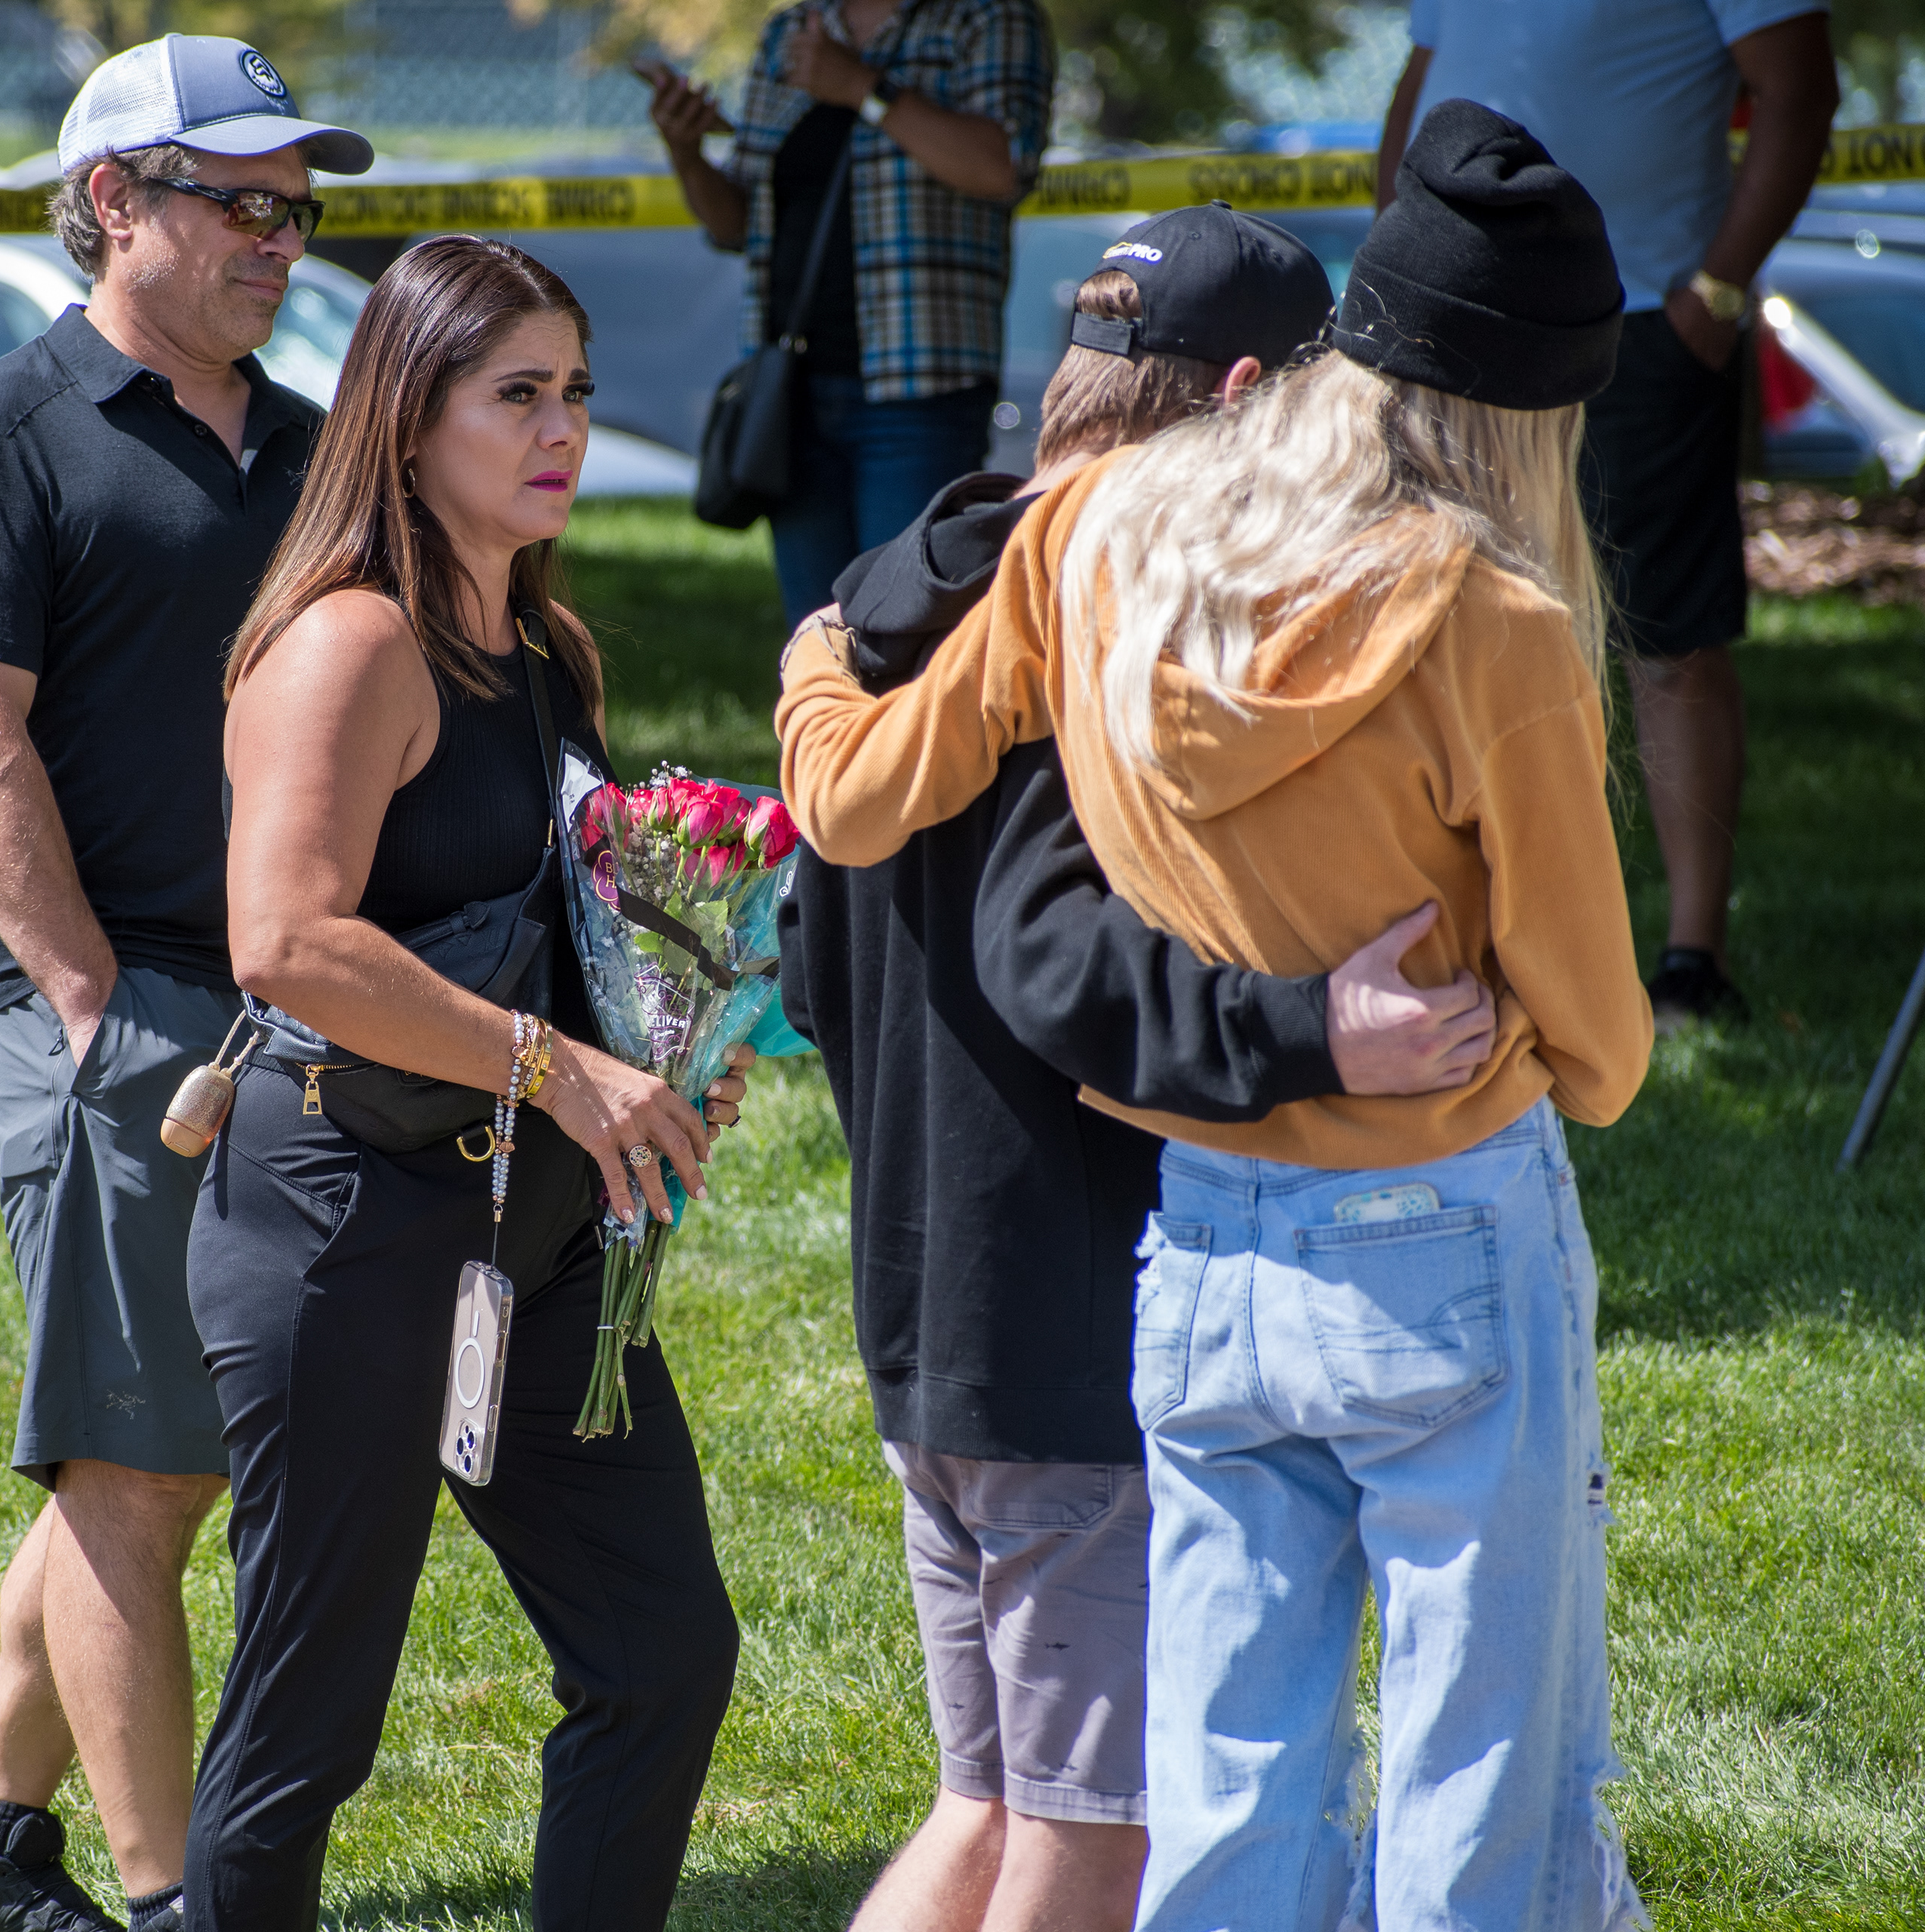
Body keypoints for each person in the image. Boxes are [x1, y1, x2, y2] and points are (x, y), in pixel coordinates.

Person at [777, 100, 1656, 1930]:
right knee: (1473, 1783)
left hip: (1195, 1243)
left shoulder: (1096, 541)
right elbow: (1601, 1034)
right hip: (1437, 1217)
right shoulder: (1490, 615)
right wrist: (1523, 1040)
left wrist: (809, 649)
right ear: (1529, 408)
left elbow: (856, 801)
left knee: (1225, 1793)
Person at [185, 234, 751, 1932]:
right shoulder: (350, 645)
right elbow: (284, 940)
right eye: (517, 393)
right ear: (409, 418)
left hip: (536, 1234)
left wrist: (656, 1067)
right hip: (344, 1219)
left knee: (660, 1650)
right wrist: (552, 1063)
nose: (561, 424)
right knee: (307, 1730)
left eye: (575, 389)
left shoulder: (551, 650)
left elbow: (553, 920)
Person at [0, 37, 372, 1932]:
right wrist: (94, 1008)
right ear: (111, 203)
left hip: (294, 998)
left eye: (296, 208)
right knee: (142, 1471)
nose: (279, 239)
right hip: (120, 1010)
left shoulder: (316, 441)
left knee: (151, 1461)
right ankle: (182, 1900)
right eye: (237, 202)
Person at [1377, 0, 1838, 1031]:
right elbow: (1423, 86)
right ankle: (1472, 933)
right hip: (1467, 332)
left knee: (1667, 643)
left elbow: (1803, 91)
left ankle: (1688, 964)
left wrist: (1714, 295)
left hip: (1641, 329)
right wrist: (1400, 279)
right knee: (1449, 633)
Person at [645, 0, 1054, 621]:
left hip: (920, 395)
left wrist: (863, 87)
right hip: (794, 398)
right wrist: (686, 152)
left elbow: (1000, 166)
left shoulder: (987, 17)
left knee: (908, 639)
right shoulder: (792, 30)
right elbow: (737, 225)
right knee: (816, 645)